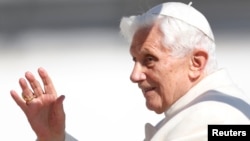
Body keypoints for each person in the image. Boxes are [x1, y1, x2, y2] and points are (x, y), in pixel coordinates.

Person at [10, 2, 250, 141]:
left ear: (196, 63)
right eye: (135, 60)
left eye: (149, 59)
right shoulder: (202, 113)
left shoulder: (220, 119)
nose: (135, 75)